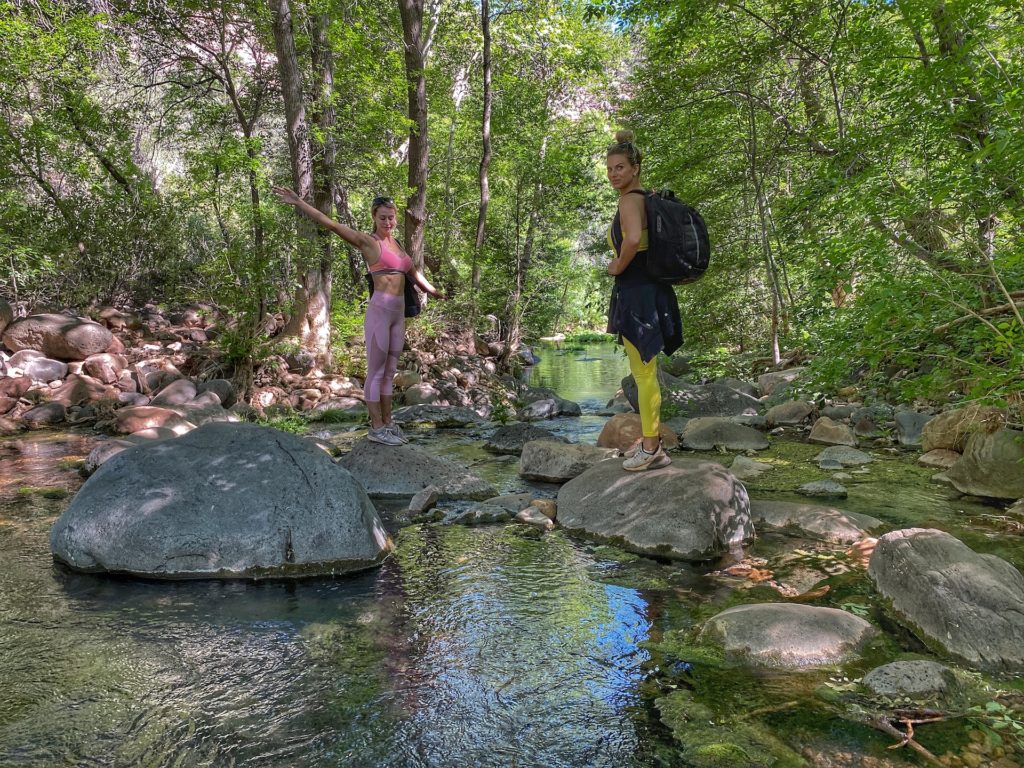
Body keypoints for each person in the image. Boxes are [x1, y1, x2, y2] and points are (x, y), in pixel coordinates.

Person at [272, 187, 446, 446]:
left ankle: (388, 423)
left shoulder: (396, 245)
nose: (388, 222)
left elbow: (412, 272)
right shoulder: (369, 242)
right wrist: (298, 202)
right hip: (379, 313)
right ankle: (376, 427)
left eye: (391, 217)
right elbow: (330, 224)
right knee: (376, 372)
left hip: (398, 315)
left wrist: (432, 291)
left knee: (389, 372)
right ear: (374, 218)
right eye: (383, 217)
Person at [604, 130, 682, 471]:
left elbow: (633, 239)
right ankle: (652, 444)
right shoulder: (646, 198)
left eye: (620, 167)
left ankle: (651, 449)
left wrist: (616, 265)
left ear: (635, 168)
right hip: (651, 290)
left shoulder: (629, 201)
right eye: (609, 169)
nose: (613, 174)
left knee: (643, 373)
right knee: (645, 370)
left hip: (637, 293)